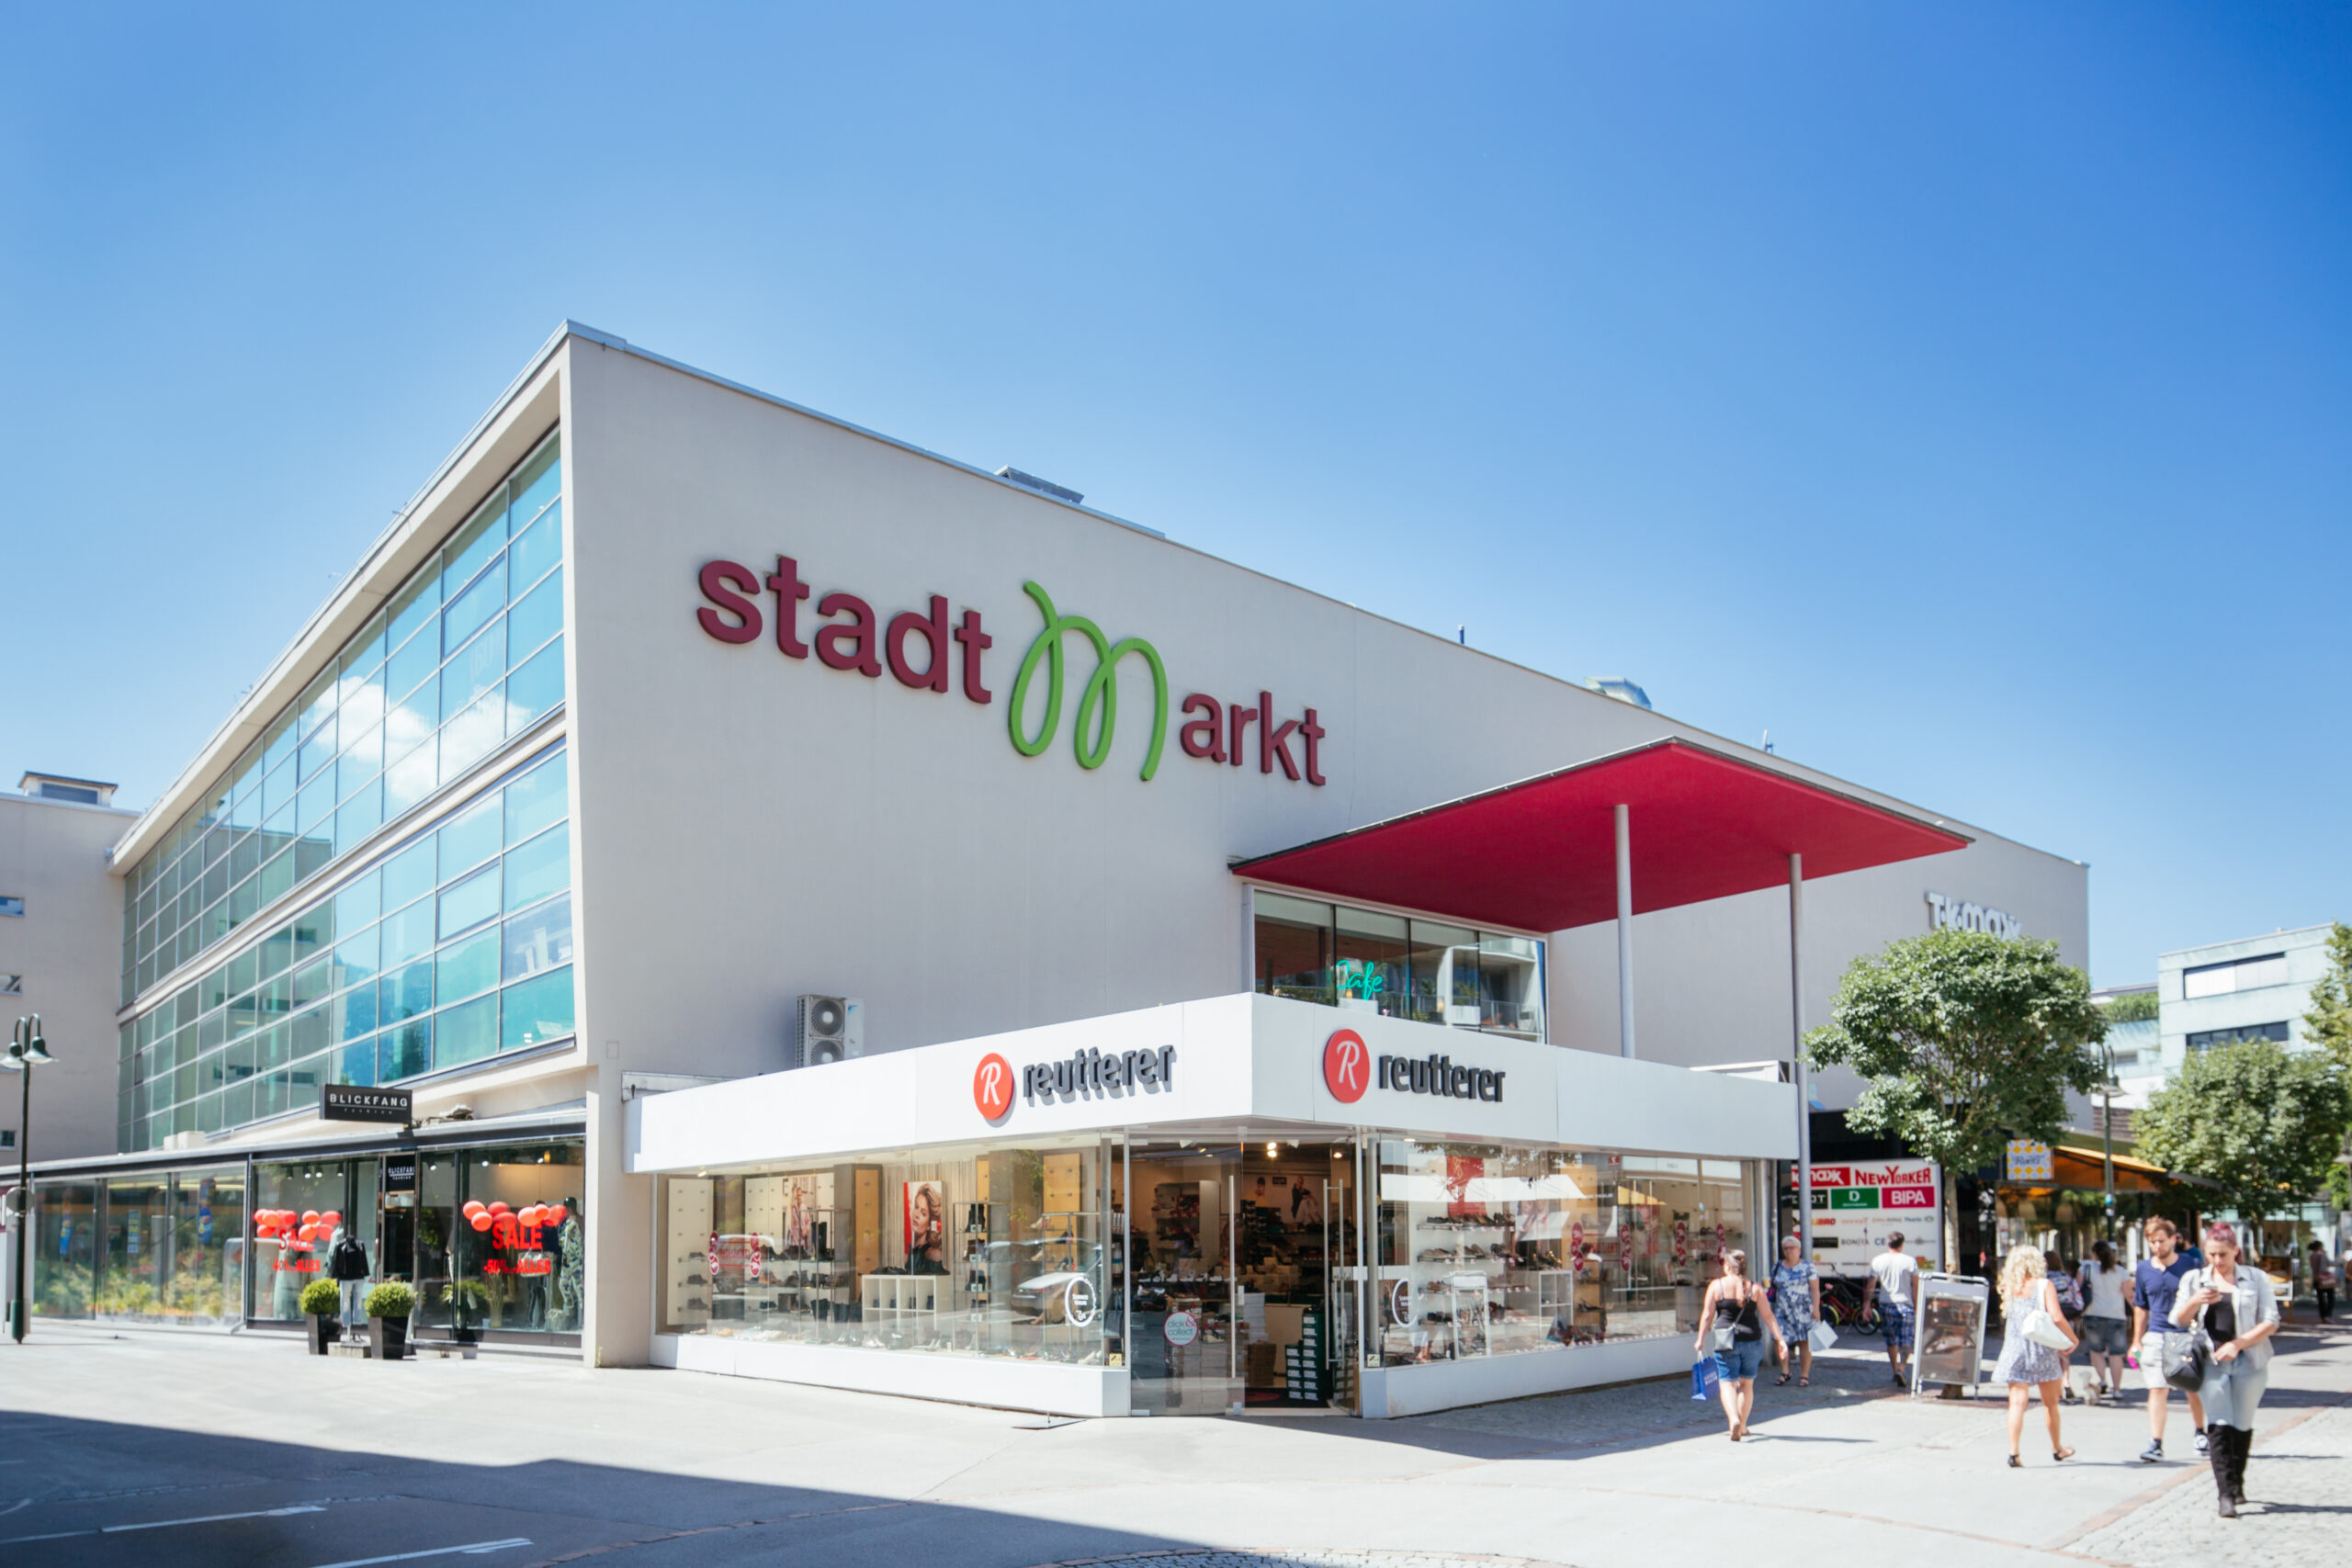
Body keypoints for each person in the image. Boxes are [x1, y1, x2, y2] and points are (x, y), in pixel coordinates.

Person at [2172, 1222, 2280, 1518]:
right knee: (2219, 1423)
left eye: (2223, 1254)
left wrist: (2238, 1343)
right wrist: (2195, 1300)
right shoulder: (2195, 1279)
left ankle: (2236, 1482)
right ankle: (2225, 1494)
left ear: (2236, 1251)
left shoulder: (2255, 1278)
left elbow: (2271, 1320)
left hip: (2250, 1360)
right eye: (2211, 1254)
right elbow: (2178, 1318)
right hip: (2210, 1361)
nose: (2217, 1260)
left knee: (2241, 1424)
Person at [1994, 1243, 2077, 1466]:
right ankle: (2057, 1448)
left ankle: (2014, 1453)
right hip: (2042, 1350)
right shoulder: (2044, 1285)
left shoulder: (2009, 1286)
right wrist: (2072, 1338)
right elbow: (2057, 1317)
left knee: (2016, 1403)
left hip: (2015, 1350)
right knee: (2051, 1404)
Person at [2132, 1217, 2207, 1462]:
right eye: (2152, 1242)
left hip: (2184, 1334)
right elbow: (2141, 1306)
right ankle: (2156, 1443)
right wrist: (2136, 1340)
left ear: (2174, 1239)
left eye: (2161, 1241)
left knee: (2191, 1387)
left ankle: (2200, 1432)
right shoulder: (2144, 1269)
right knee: (2157, 1388)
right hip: (2156, 1334)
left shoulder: (2190, 1265)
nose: (2157, 1246)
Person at [1693, 1248, 1785, 1440]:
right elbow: (1768, 1316)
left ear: (1727, 1266)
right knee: (1746, 1385)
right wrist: (1780, 1340)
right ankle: (1742, 1425)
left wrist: (1700, 1339)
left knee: (1728, 1384)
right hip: (1752, 1340)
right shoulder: (1755, 1288)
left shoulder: (1717, 1286)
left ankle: (1733, 1419)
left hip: (1726, 1342)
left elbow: (1707, 1315)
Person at [2075, 1241, 2131, 1398]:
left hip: (2093, 1314)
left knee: (2096, 1351)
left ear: (2094, 1254)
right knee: (2116, 1354)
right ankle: (2117, 1389)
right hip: (2116, 1315)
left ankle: (2103, 1380)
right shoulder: (2121, 1271)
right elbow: (2129, 1294)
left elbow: (2077, 1291)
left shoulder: (2085, 1269)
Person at [1868, 1232, 1920, 1386]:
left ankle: (1894, 1369)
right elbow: (1915, 1286)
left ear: (1887, 1244)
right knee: (1906, 1339)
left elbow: (1871, 1285)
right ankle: (1902, 1368)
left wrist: (1866, 1305)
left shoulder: (1878, 1260)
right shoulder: (1910, 1261)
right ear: (1901, 1245)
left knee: (1891, 1341)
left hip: (1886, 1303)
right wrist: (1917, 1306)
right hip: (1906, 1304)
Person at [1769, 1235, 1820, 1388]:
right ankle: (1785, 1371)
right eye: (1785, 1248)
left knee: (1804, 1342)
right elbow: (1772, 1284)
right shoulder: (1778, 1266)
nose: (1788, 1251)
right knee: (1779, 1340)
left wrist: (1816, 1308)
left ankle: (1804, 1375)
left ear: (1798, 1249)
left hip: (1803, 1311)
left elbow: (1815, 1289)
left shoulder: (1808, 1267)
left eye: (1791, 1248)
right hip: (1782, 1310)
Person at [2305, 1240, 2335, 1323]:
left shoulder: (2312, 1256)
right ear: (2320, 1247)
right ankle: (2328, 1315)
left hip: (2316, 1279)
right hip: (2325, 1279)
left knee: (2321, 1299)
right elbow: (2329, 1264)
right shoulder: (2322, 1255)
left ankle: (2323, 1316)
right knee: (2331, 1298)